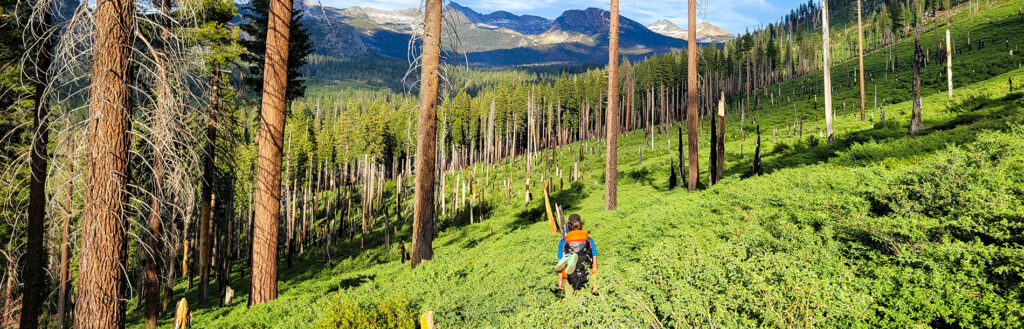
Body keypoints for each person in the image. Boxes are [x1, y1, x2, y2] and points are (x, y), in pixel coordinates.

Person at [554, 214, 597, 296]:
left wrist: (560, 279)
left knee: (571, 304)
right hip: (587, 276)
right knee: (587, 302)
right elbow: (594, 263)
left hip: (569, 278)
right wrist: (595, 281)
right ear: (580, 224)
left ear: (569, 225)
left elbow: (560, 263)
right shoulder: (589, 240)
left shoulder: (563, 242)